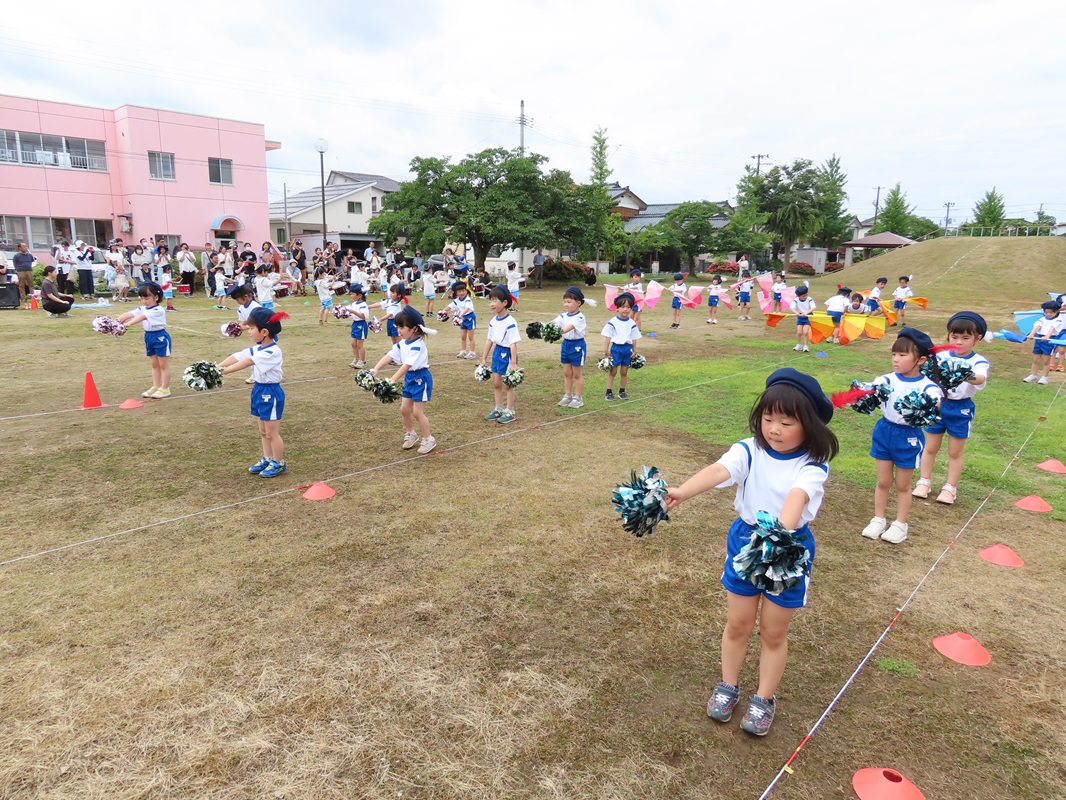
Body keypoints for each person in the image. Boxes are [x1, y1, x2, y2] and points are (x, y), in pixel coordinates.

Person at [665, 368, 838, 737]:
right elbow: (719, 470)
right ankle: (728, 685)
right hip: (746, 541)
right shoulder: (748, 449)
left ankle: (764, 697)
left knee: (773, 632)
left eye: (786, 423)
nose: (774, 429)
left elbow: (797, 496)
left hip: (787, 546)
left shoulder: (812, 463)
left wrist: (778, 535)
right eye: (768, 418)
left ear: (808, 425)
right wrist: (683, 491)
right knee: (738, 624)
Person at [861, 328, 945, 544]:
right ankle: (878, 519)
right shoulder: (886, 380)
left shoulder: (927, 385)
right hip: (884, 431)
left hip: (908, 437)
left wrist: (927, 404)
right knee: (883, 481)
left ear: (921, 360)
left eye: (902, 355)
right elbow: (871, 390)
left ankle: (900, 524)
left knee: (902, 485)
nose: (896, 359)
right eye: (894, 354)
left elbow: (935, 400)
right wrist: (863, 393)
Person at [913, 312, 990, 505]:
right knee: (930, 447)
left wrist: (961, 373)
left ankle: (950, 488)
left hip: (961, 409)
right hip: (938, 404)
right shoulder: (941, 356)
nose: (959, 342)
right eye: (954, 337)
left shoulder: (978, 361)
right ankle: (924, 481)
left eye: (966, 338)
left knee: (955, 452)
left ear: (977, 338)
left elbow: (980, 378)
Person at [219, 308, 288, 478]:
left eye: (251, 328)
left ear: (264, 332)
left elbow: (247, 361)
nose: (248, 332)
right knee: (263, 431)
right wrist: (217, 366)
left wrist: (222, 372)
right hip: (258, 389)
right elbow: (237, 356)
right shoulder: (257, 348)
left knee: (271, 432)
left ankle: (278, 463)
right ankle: (268, 458)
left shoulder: (272, 351)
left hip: (271, 392)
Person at [371, 305, 438, 455]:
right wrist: (376, 368)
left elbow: (407, 364)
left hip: (421, 378)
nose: (398, 330)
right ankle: (411, 434)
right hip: (410, 378)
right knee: (404, 410)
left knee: (418, 413)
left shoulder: (418, 345)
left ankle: (429, 439)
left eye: (402, 327)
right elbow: (390, 355)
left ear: (414, 329)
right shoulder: (402, 344)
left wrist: (392, 379)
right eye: (397, 326)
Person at [116, 282, 173, 399]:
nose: (144, 301)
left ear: (156, 297)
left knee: (163, 365)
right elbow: (129, 314)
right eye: (141, 298)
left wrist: (128, 324)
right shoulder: (142, 308)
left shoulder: (158, 310)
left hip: (160, 337)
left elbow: (142, 317)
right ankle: (156, 386)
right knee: (154, 364)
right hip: (149, 337)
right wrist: (116, 322)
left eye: (147, 298)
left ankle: (165, 388)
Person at [480, 286, 521, 424]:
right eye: (490, 300)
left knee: (508, 384)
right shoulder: (493, 321)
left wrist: (513, 363)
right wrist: (484, 357)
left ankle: (510, 411)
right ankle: (498, 408)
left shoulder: (510, 322)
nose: (492, 304)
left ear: (504, 303)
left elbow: (513, 343)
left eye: (495, 300)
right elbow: (489, 340)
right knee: (497, 383)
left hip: (507, 354)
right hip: (497, 352)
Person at [554, 286, 591, 409]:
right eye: (565, 301)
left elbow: (567, 328)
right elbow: (554, 322)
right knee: (567, 373)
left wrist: (556, 332)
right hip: (566, 344)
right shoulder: (563, 316)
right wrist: (544, 328)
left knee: (577, 374)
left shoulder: (579, 317)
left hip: (577, 346)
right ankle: (568, 395)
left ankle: (578, 397)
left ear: (578, 303)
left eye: (569, 302)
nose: (566, 304)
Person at [602, 292, 641, 400]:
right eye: (623, 307)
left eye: (628, 307)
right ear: (617, 309)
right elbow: (608, 336)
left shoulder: (632, 323)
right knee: (613, 371)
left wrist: (634, 350)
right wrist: (606, 349)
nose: (625, 309)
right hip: (616, 349)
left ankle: (622, 391)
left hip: (627, 349)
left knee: (624, 371)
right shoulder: (613, 322)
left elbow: (634, 338)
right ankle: (609, 392)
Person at [1022, 300, 1063, 385]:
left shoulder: (1058, 320)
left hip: (1050, 341)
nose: (1048, 314)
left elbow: (1052, 328)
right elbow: (1037, 326)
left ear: (1056, 311)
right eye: (1046, 312)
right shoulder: (1042, 319)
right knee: (1036, 359)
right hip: (1039, 340)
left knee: (1046, 361)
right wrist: (1032, 334)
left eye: (1051, 312)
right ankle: (1033, 375)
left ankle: (1044, 377)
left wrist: (1047, 336)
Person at [448, 281, 478, 359]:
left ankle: (472, 352)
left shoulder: (468, 299)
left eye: (463, 290)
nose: (462, 293)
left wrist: (461, 314)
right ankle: (463, 351)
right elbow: (450, 306)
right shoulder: (456, 300)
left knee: (470, 337)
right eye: (459, 291)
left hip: (470, 318)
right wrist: (443, 312)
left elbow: (467, 308)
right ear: (456, 293)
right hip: (462, 319)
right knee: (463, 336)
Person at [346, 284, 370, 369]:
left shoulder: (363, 305)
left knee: (360, 345)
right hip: (355, 324)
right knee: (353, 344)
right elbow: (346, 309)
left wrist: (353, 312)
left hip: (361, 325)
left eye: (353, 294)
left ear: (360, 295)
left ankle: (362, 361)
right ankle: (356, 358)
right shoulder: (354, 304)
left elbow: (363, 316)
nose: (351, 296)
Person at [789, 286, 816, 352]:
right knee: (799, 332)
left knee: (805, 332)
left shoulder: (809, 299)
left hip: (808, 317)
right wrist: (797, 313)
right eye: (803, 296)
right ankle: (799, 345)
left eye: (806, 295)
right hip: (800, 317)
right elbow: (791, 307)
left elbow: (813, 307)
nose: (805, 297)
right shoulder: (796, 300)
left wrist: (806, 312)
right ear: (799, 296)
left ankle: (806, 346)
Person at [13, 242, 37, 308]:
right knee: (21, 285)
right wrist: (17, 269)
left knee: (31, 284)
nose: (25, 248)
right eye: (24, 247)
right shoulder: (16, 256)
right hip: (20, 270)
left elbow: (32, 261)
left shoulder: (29, 255)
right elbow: (15, 263)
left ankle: (33, 297)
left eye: (26, 246)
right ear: (19, 248)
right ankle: (23, 298)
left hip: (29, 270)